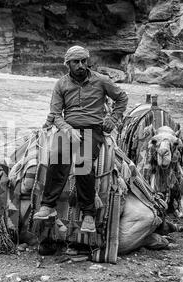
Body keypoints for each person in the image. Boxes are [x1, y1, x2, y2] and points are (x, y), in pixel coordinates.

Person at [33, 45, 128, 233]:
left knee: (83, 163)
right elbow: (55, 114)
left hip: (93, 129)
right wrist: (68, 129)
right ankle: (48, 206)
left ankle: (89, 214)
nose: (81, 65)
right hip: (68, 128)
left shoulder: (102, 81)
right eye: (76, 62)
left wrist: (112, 118)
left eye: (84, 61)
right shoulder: (61, 84)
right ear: (67, 64)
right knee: (58, 155)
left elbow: (122, 98)